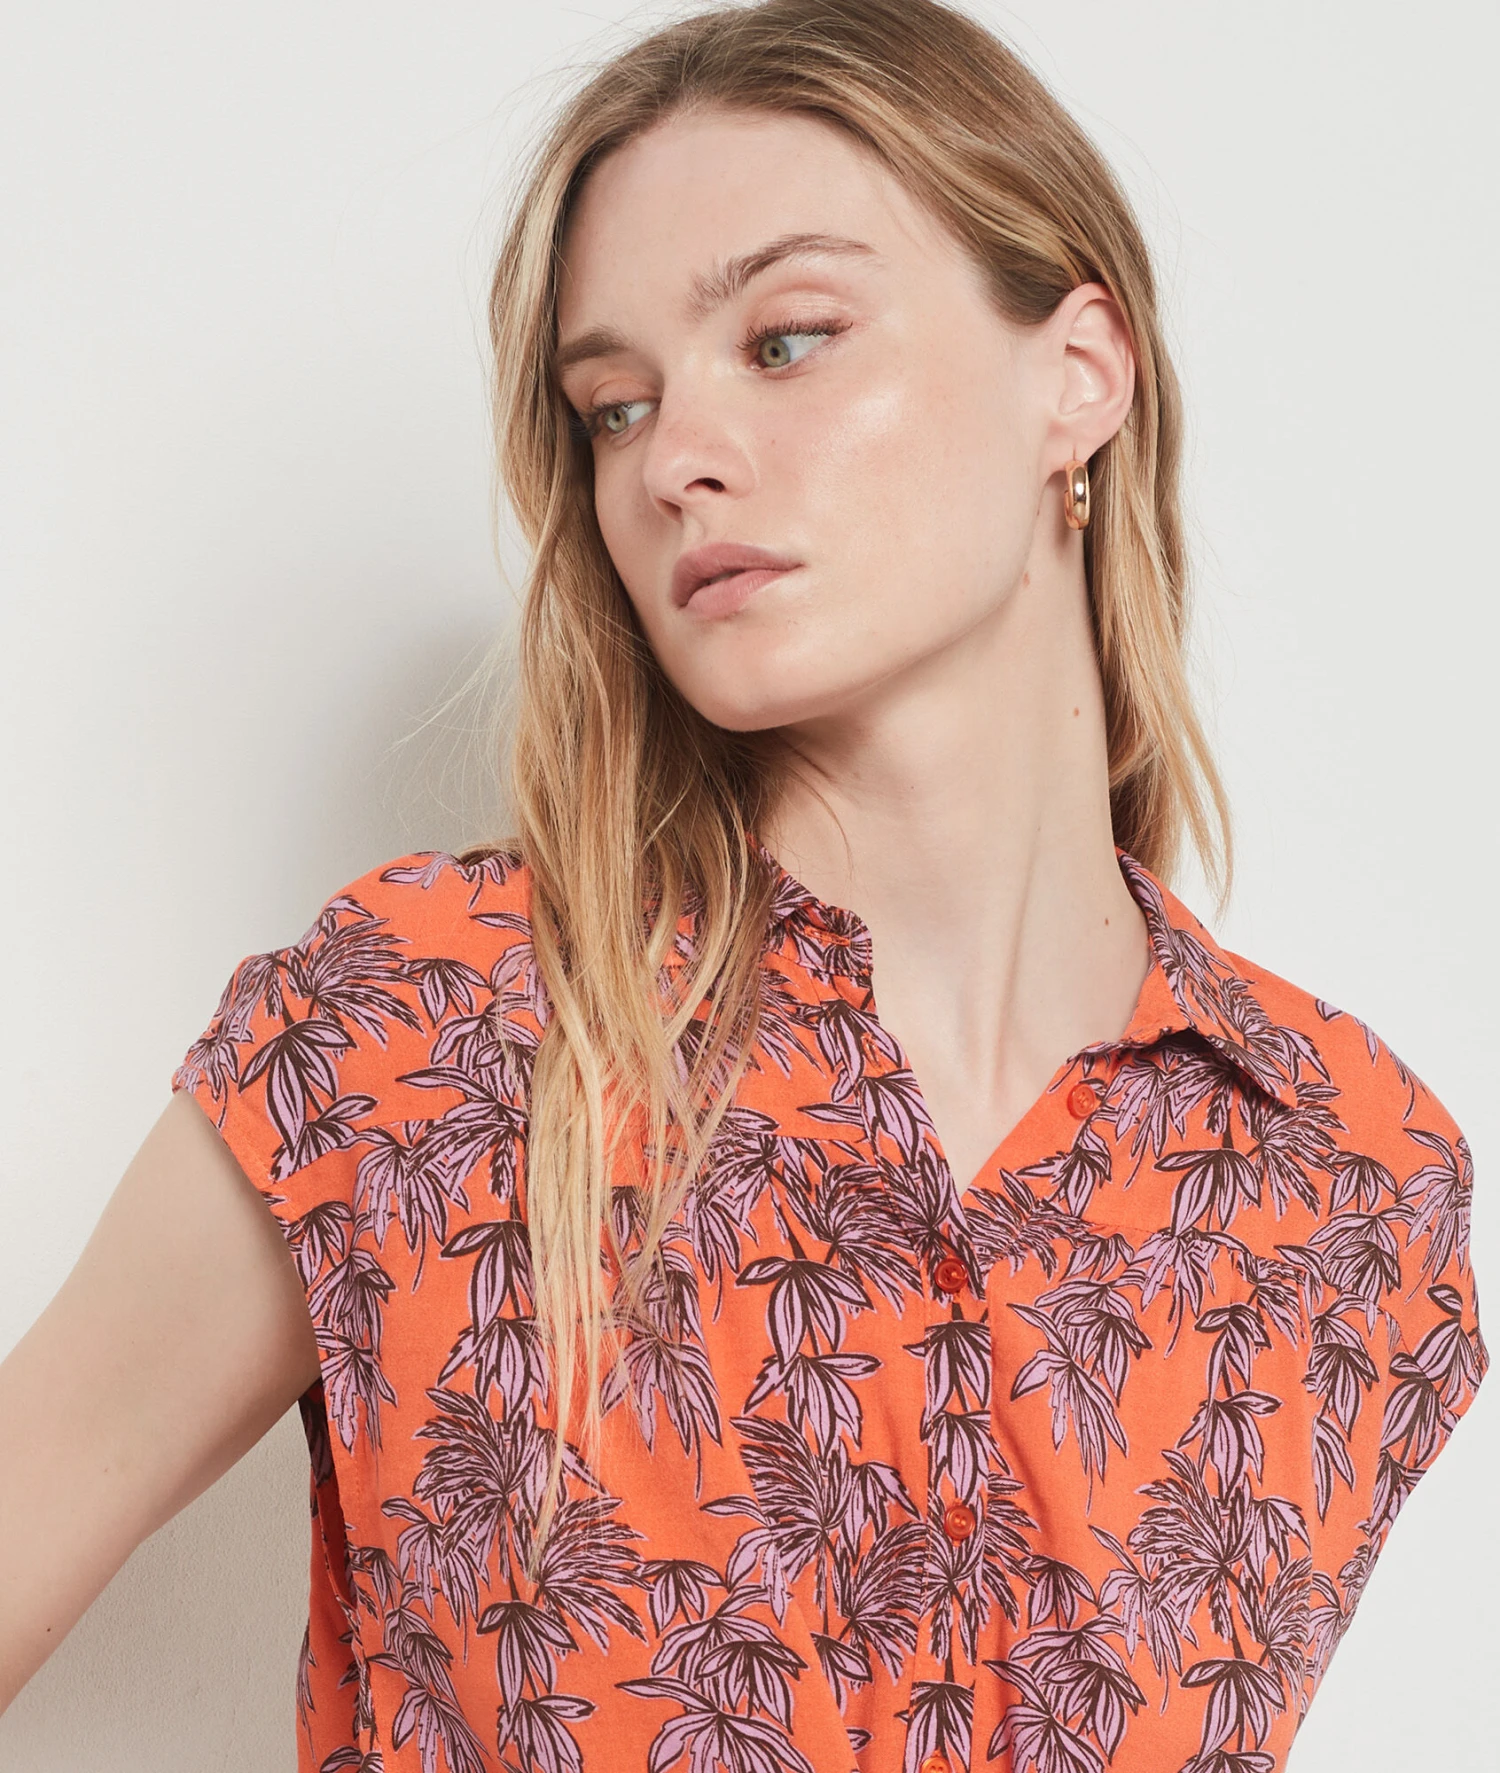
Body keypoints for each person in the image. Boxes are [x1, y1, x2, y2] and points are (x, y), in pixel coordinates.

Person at [0, 0, 1486, 1769]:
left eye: (785, 341)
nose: (673, 457)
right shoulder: (422, 1029)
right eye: (614, 407)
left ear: (1078, 374)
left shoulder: (1350, 1184)